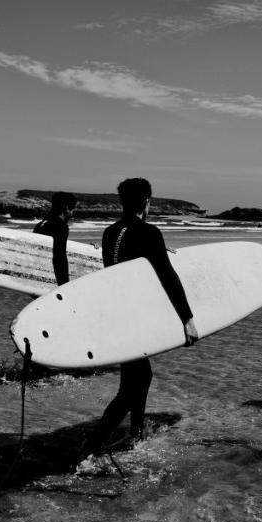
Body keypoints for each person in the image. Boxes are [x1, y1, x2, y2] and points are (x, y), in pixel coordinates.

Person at [87, 177, 198, 449]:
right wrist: (187, 319)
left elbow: (123, 267)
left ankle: (136, 434)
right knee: (130, 389)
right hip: (135, 318)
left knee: (139, 377)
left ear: (122, 202)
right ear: (147, 201)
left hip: (117, 315)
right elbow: (168, 277)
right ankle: (93, 443)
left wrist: (159, 251)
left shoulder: (110, 232)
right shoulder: (149, 232)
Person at [33, 191, 77, 285]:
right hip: (52, 279)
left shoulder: (40, 224)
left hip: (38, 274)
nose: (73, 212)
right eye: (73, 208)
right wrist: (64, 284)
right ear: (67, 208)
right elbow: (59, 257)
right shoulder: (61, 226)